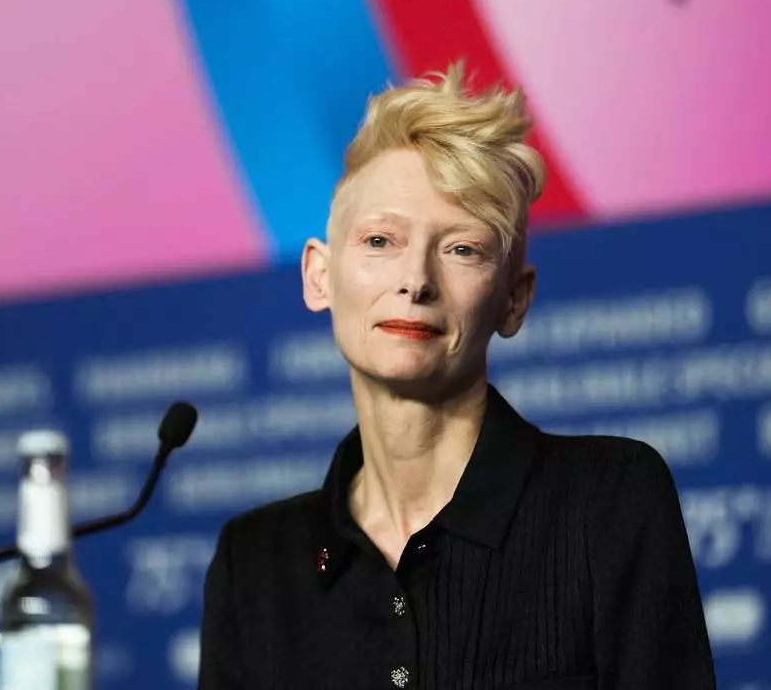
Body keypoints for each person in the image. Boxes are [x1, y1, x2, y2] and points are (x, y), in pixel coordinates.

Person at [198, 64, 716, 689]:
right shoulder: (254, 562)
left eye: (461, 249)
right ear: (319, 276)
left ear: (514, 300)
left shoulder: (607, 501)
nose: (415, 280)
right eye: (380, 241)